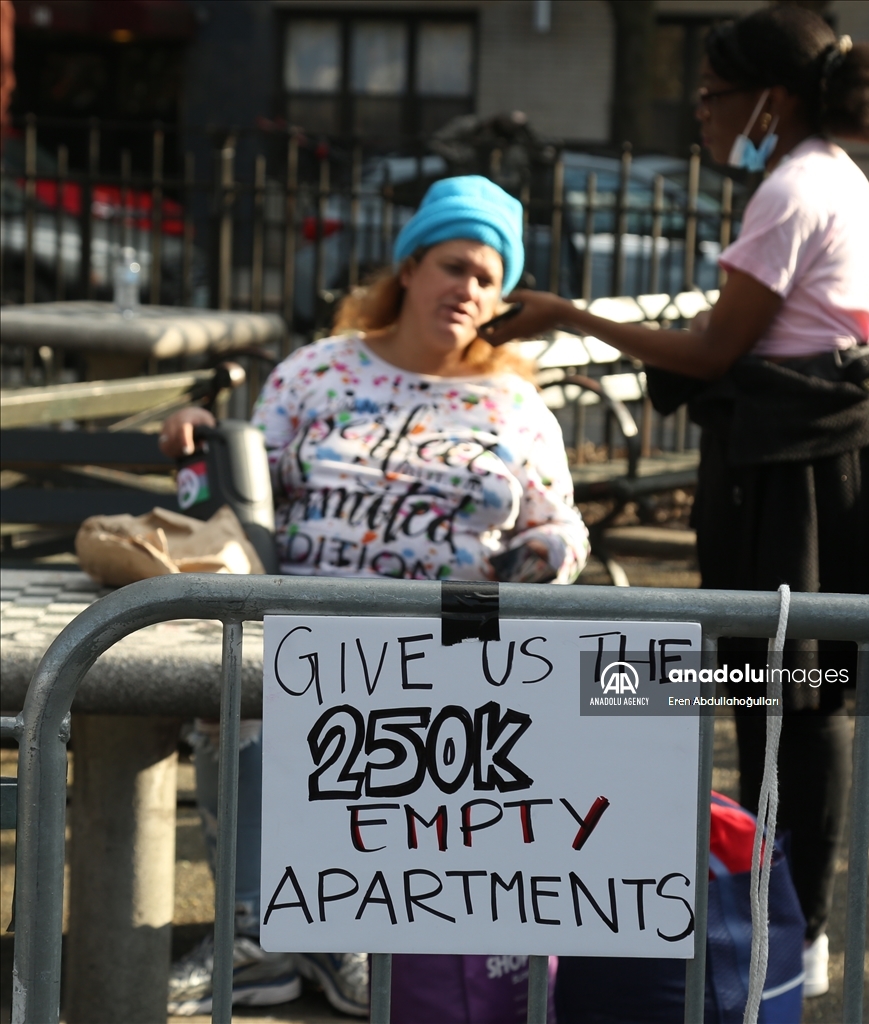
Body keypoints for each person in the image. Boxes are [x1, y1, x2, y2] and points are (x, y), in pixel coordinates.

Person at [481, 6, 869, 1007]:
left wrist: (568, 315)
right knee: (781, 692)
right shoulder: (826, 178)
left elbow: (716, 351)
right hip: (812, 453)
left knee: (787, 696)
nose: (700, 111)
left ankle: (793, 926)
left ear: (773, 99)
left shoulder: (794, 188)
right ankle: (785, 916)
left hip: (794, 471)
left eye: (713, 93)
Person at [159, 175, 589, 1017]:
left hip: (452, 640)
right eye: (454, 265)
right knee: (240, 700)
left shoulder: (515, 405)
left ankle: (353, 933)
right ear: (409, 267)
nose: (468, 289)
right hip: (304, 626)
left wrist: (542, 557)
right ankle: (258, 937)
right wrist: (190, 443)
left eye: (487, 278)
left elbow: (563, 531)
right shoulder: (314, 374)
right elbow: (225, 499)